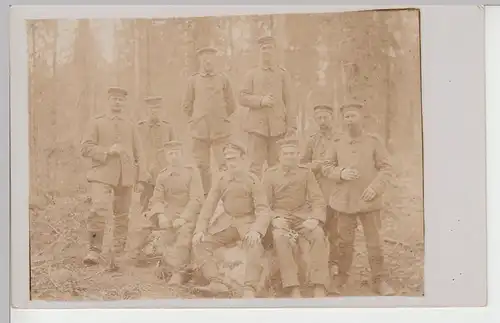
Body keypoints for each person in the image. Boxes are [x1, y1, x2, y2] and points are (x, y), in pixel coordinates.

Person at [321, 102, 396, 296]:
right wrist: (341, 172)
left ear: (361, 118)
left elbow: (387, 168)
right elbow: (326, 167)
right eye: (346, 117)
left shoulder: (373, 141)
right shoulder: (336, 142)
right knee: (344, 242)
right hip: (344, 201)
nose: (349, 120)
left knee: (374, 242)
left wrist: (375, 188)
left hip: (369, 200)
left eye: (353, 116)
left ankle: (379, 279)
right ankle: (342, 277)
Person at [192, 141, 271, 298]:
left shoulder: (252, 180)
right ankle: (215, 282)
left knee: (254, 246)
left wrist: (256, 230)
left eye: (234, 158)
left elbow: (263, 209)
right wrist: (200, 230)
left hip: (247, 222)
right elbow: (209, 206)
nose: (231, 163)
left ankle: (249, 288)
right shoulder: (222, 180)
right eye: (228, 159)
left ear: (243, 159)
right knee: (200, 243)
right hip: (226, 223)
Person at [80, 86, 148, 270]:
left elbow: (139, 153)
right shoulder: (96, 122)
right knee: (98, 209)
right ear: (108, 101)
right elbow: (85, 148)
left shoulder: (130, 124)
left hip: (125, 176)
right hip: (101, 174)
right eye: (114, 99)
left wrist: (141, 178)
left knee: (123, 215)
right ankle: (94, 250)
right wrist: (107, 151)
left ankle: (117, 253)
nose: (117, 102)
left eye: (121, 99)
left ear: (124, 103)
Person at [262, 137, 329, 298]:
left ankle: (319, 284)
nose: (290, 156)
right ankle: (292, 286)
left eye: (293, 153)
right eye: (286, 153)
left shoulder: (306, 173)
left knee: (318, 235)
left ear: (298, 155)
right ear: (279, 156)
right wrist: (274, 219)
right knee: (280, 238)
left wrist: (315, 218)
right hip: (281, 217)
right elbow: (263, 205)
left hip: (302, 216)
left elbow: (318, 199)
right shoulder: (270, 175)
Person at [131, 140, 204, 285]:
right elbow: (156, 199)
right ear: (166, 156)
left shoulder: (191, 172)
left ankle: (178, 273)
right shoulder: (163, 175)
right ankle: (137, 259)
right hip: (169, 213)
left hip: (188, 213)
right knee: (150, 234)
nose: (174, 156)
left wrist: (183, 218)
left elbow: (196, 199)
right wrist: (161, 215)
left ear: (182, 154)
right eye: (171, 154)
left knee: (184, 236)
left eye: (177, 153)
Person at [182, 47, 237, 195]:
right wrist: (197, 119)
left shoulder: (223, 79)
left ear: (215, 59)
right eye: (204, 58)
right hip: (200, 131)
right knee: (202, 166)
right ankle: (206, 197)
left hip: (220, 131)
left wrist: (220, 117)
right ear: (200, 60)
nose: (207, 61)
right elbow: (187, 106)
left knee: (225, 164)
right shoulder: (193, 80)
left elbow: (231, 105)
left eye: (210, 57)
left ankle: (228, 195)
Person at [239, 35, 297, 178]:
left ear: (275, 51)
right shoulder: (251, 74)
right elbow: (242, 97)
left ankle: (275, 198)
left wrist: (291, 126)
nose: (266, 51)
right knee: (254, 166)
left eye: (270, 48)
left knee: (277, 166)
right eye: (263, 48)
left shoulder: (283, 74)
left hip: (278, 128)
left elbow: (290, 101)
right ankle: (255, 198)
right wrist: (260, 101)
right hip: (256, 128)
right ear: (259, 52)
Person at [300, 104, 342, 280]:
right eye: (319, 118)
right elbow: (302, 165)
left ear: (332, 118)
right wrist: (315, 165)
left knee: (337, 229)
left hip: (337, 189)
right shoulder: (312, 140)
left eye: (325, 117)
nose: (322, 121)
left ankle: (335, 263)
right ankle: (319, 264)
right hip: (318, 191)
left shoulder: (341, 139)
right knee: (319, 228)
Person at [137, 96, 176, 214]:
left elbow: (174, 149)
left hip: (163, 169)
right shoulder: (139, 127)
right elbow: (136, 151)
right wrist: (140, 173)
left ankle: (160, 223)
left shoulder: (168, 127)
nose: (154, 111)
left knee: (164, 198)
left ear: (161, 110)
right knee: (146, 199)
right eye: (151, 109)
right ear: (146, 110)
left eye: (157, 108)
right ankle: (144, 224)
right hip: (146, 170)